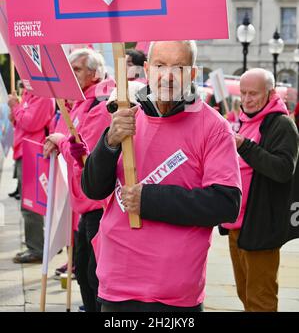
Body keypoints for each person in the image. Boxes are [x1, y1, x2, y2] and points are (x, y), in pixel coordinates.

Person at [82, 40, 242, 312]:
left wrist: (149, 200)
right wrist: (109, 141)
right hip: (116, 281)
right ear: (147, 69)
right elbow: (93, 189)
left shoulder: (214, 127)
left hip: (172, 292)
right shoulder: (127, 116)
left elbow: (226, 203)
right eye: (160, 65)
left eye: (179, 67)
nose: (167, 76)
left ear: (192, 74)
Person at [220, 68, 299, 312]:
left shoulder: (281, 124)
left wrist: (245, 146)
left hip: (261, 225)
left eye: (253, 93)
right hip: (237, 225)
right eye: (243, 93)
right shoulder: (244, 120)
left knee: (260, 300)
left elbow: (283, 169)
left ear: (271, 93)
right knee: (245, 294)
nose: (246, 99)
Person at [43, 48, 114, 312]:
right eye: (69, 70)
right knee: (83, 273)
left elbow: (85, 153)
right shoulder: (81, 103)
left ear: (95, 74)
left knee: (95, 277)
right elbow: (65, 137)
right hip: (82, 204)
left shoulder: (101, 105)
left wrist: (61, 142)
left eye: (77, 70)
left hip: (99, 205)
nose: (70, 76)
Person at [8, 88, 55, 263]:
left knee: (31, 205)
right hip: (24, 151)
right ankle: (34, 244)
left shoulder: (43, 96)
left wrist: (15, 107)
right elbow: (20, 122)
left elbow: (30, 123)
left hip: (33, 153)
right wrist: (16, 113)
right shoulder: (29, 93)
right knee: (27, 204)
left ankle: (36, 248)